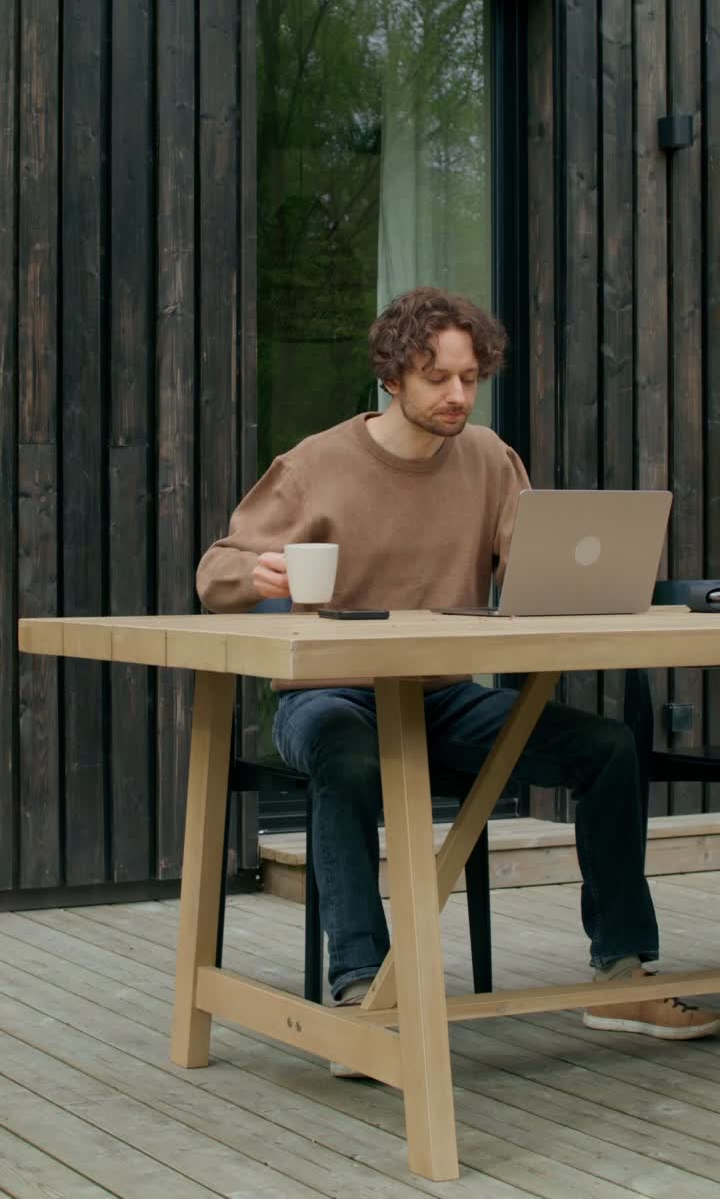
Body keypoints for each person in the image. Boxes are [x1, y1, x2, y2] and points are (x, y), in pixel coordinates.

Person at [197, 286, 719, 1048]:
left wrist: (579, 584)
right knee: (345, 760)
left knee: (606, 748)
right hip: (330, 695)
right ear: (393, 375)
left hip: (445, 696)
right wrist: (261, 576)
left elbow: (536, 562)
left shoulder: (488, 458)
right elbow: (215, 572)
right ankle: (361, 994)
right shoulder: (314, 464)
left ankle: (622, 975)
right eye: (438, 377)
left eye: (470, 378)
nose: (457, 394)